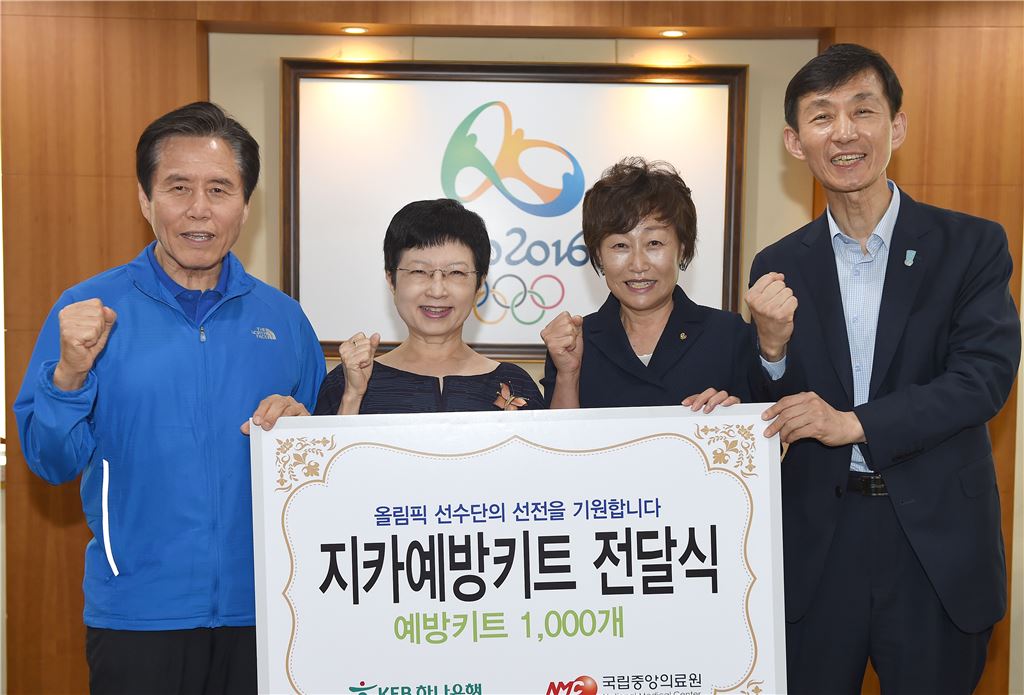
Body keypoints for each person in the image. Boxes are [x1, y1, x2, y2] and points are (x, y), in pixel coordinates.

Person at [14, 102, 326, 694]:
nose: (198, 208)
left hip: (269, 612)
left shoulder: (285, 321)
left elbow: (326, 473)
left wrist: (302, 429)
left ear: (245, 205)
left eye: (219, 189)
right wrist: (70, 376)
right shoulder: (87, 310)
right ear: (145, 199)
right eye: (178, 188)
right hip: (137, 614)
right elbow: (50, 462)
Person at [746, 44, 1020, 694]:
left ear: (896, 127)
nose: (844, 132)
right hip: (819, 546)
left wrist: (854, 423)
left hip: (934, 545)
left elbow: (982, 378)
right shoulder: (778, 263)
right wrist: (771, 351)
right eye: (822, 116)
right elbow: (767, 414)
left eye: (862, 111)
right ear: (795, 141)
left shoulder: (971, 244)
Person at [540, 157, 753, 412]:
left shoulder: (729, 335)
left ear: (682, 249)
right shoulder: (576, 343)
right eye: (620, 245)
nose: (638, 264)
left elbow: (761, 426)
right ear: (598, 255)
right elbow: (559, 437)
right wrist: (569, 374)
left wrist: (735, 416)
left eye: (654, 243)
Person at [314, 198, 542, 415]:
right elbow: (327, 444)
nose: (437, 290)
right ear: (391, 280)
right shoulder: (348, 381)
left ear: (479, 283)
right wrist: (352, 396)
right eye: (419, 271)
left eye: (456, 272)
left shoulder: (516, 384)